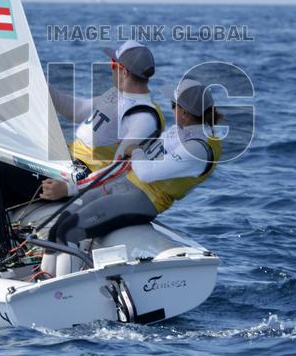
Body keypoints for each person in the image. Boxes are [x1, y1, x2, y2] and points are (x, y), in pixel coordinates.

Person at [0, 40, 165, 256]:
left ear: (121, 70)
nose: (110, 69)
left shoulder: (143, 117)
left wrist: (68, 188)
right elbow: (76, 110)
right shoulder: (115, 96)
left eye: (112, 65)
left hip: (78, 178)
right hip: (62, 165)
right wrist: (41, 85)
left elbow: (119, 171)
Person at [40, 79, 223, 277]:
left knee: (69, 232)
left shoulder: (198, 149)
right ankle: (43, 277)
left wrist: (136, 152)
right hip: (123, 184)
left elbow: (146, 172)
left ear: (185, 113)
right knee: (58, 226)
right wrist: (71, 187)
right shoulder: (179, 131)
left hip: (144, 200)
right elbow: (132, 165)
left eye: (174, 105)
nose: (172, 110)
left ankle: (62, 293)